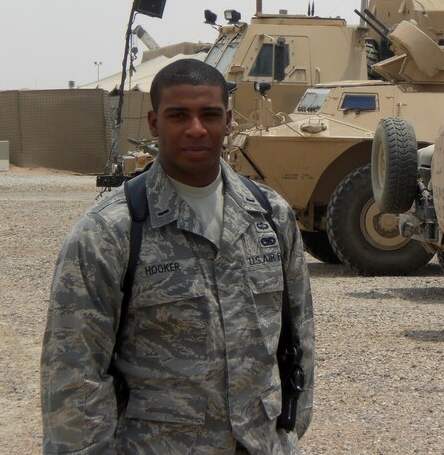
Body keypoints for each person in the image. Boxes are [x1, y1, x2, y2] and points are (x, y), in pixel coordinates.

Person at [41, 58, 314, 454]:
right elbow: (74, 370)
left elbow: (298, 332)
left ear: (228, 121)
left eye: (210, 115)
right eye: (178, 115)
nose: (196, 128)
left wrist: (289, 429)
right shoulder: (109, 231)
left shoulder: (270, 216)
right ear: (154, 123)